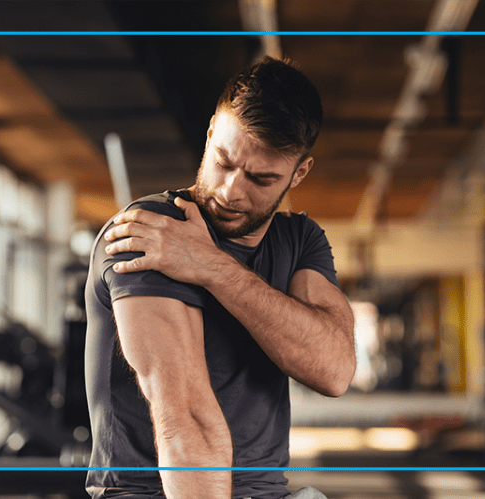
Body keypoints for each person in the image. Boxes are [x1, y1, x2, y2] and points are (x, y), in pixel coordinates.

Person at [84, 56, 356, 499]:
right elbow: (184, 417)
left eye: (260, 179)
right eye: (224, 161)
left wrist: (211, 267)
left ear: (298, 173)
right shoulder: (151, 231)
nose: (231, 190)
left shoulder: (299, 239)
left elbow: (335, 370)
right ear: (211, 133)